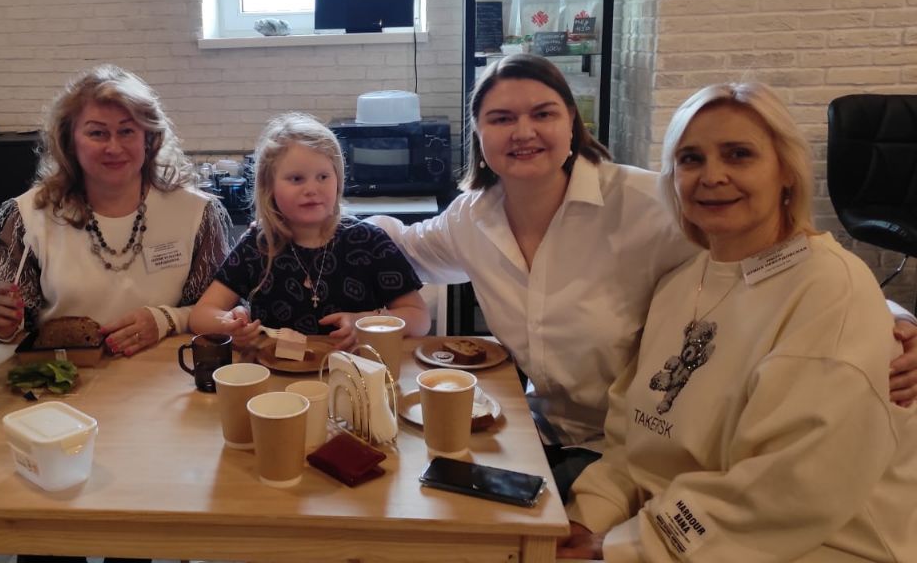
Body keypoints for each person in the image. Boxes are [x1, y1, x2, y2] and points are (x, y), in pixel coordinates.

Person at [368, 54, 917, 499]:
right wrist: (324, 211)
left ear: (572, 123)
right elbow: (397, 249)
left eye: (543, 113)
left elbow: (768, 263)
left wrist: (890, 320)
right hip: (545, 433)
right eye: (501, 119)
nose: (524, 132)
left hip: (647, 452)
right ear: (478, 133)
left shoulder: (647, 204)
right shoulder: (471, 218)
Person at [559, 82, 917, 562]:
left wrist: (623, 546)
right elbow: (632, 434)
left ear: (786, 171)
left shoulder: (829, 290)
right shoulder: (681, 283)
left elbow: (790, 488)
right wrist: (587, 516)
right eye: (691, 159)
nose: (712, 176)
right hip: (675, 531)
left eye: (739, 155)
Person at [0, 63, 231, 356]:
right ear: (69, 141)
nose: (114, 148)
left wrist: (167, 319)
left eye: (127, 131)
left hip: (165, 371)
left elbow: (222, 310)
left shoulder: (197, 213)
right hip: (65, 373)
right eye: (97, 133)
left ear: (148, 138)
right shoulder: (27, 216)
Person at [189, 112, 428, 351]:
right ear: (269, 187)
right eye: (296, 179)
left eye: (323, 176)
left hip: (355, 369)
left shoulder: (369, 241)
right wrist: (228, 325)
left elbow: (419, 318)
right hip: (275, 372)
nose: (312, 189)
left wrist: (366, 323)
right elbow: (200, 315)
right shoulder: (257, 244)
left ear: (338, 180)